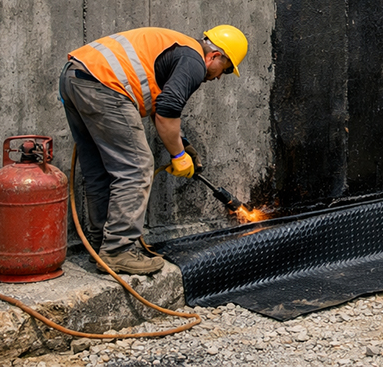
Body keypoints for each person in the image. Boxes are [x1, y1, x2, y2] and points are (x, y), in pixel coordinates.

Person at [58, 25, 248, 274]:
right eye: (224, 70)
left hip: (76, 76)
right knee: (136, 167)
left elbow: (161, 102)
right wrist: (178, 156)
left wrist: (183, 144)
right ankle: (118, 251)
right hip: (104, 85)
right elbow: (168, 110)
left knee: (99, 170)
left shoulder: (178, 48)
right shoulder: (193, 61)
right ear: (215, 56)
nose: (219, 77)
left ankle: (101, 247)